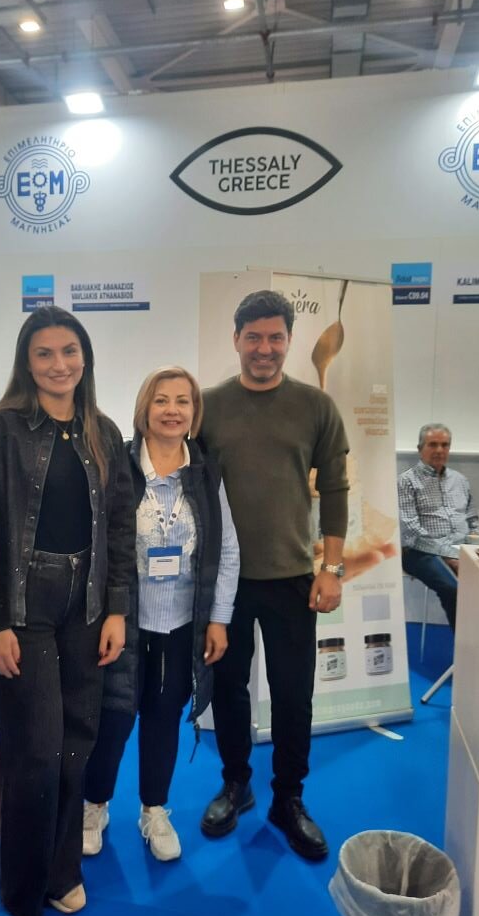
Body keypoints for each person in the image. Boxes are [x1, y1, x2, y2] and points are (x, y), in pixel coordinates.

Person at [0, 305, 135, 916]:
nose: (59, 364)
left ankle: (63, 870)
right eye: (44, 353)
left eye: (69, 351)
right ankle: (22, 882)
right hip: (22, 608)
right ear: (26, 361)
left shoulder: (103, 431)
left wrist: (117, 609)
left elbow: (119, 529)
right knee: (33, 746)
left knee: (74, 746)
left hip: (86, 606)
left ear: (85, 358)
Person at [199, 290, 349, 862]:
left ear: (289, 340)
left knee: (293, 693)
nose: (265, 348)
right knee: (228, 689)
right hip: (225, 582)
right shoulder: (207, 407)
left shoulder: (316, 407)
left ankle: (289, 797)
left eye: (276, 338)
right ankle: (235, 783)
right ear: (236, 340)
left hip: (292, 578)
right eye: (254, 337)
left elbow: (335, 490)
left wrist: (331, 568)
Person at [82, 366, 240, 861]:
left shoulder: (206, 473)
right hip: (121, 623)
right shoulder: (118, 466)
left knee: (163, 720)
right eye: (161, 400)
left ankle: (154, 809)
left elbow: (227, 550)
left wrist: (219, 618)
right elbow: (99, 545)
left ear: (195, 412)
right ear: (144, 410)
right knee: (111, 719)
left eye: (182, 401)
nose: (172, 410)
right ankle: (94, 804)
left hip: (180, 626)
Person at [398, 423, 478, 631]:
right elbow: (411, 529)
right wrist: (449, 556)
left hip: (460, 550)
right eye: (433, 444)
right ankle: (462, 644)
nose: (440, 450)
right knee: (453, 589)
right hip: (418, 552)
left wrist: (476, 548)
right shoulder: (406, 482)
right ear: (420, 449)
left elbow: (472, 519)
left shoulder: (460, 480)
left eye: (445, 445)